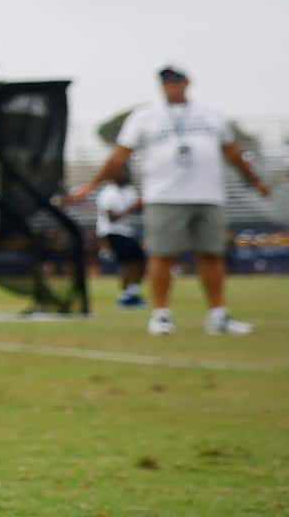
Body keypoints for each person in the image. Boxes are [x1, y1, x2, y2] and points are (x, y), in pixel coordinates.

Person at [84, 66, 271, 335]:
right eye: (166, 82)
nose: (171, 86)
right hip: (163, 196)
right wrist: (92, 184)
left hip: (208, 195)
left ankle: (218, 315)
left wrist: (255, 181)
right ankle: (161, 315)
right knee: (162, 255)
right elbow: (119, 156)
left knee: (212, 254)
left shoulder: (211, 115)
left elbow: (233, 152)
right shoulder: (145, 116)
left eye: (176, 81)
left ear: (187, 83)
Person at [78, 178, 147, 307]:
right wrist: (131, 208)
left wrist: (139, 206)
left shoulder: (130, 190)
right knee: (128, 263)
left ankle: (131, 293)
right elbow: (112, 218)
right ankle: (125, 296)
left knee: (139, 261)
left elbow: (138, 209)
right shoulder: (108, 193)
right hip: (111, 232)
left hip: (127, 231)